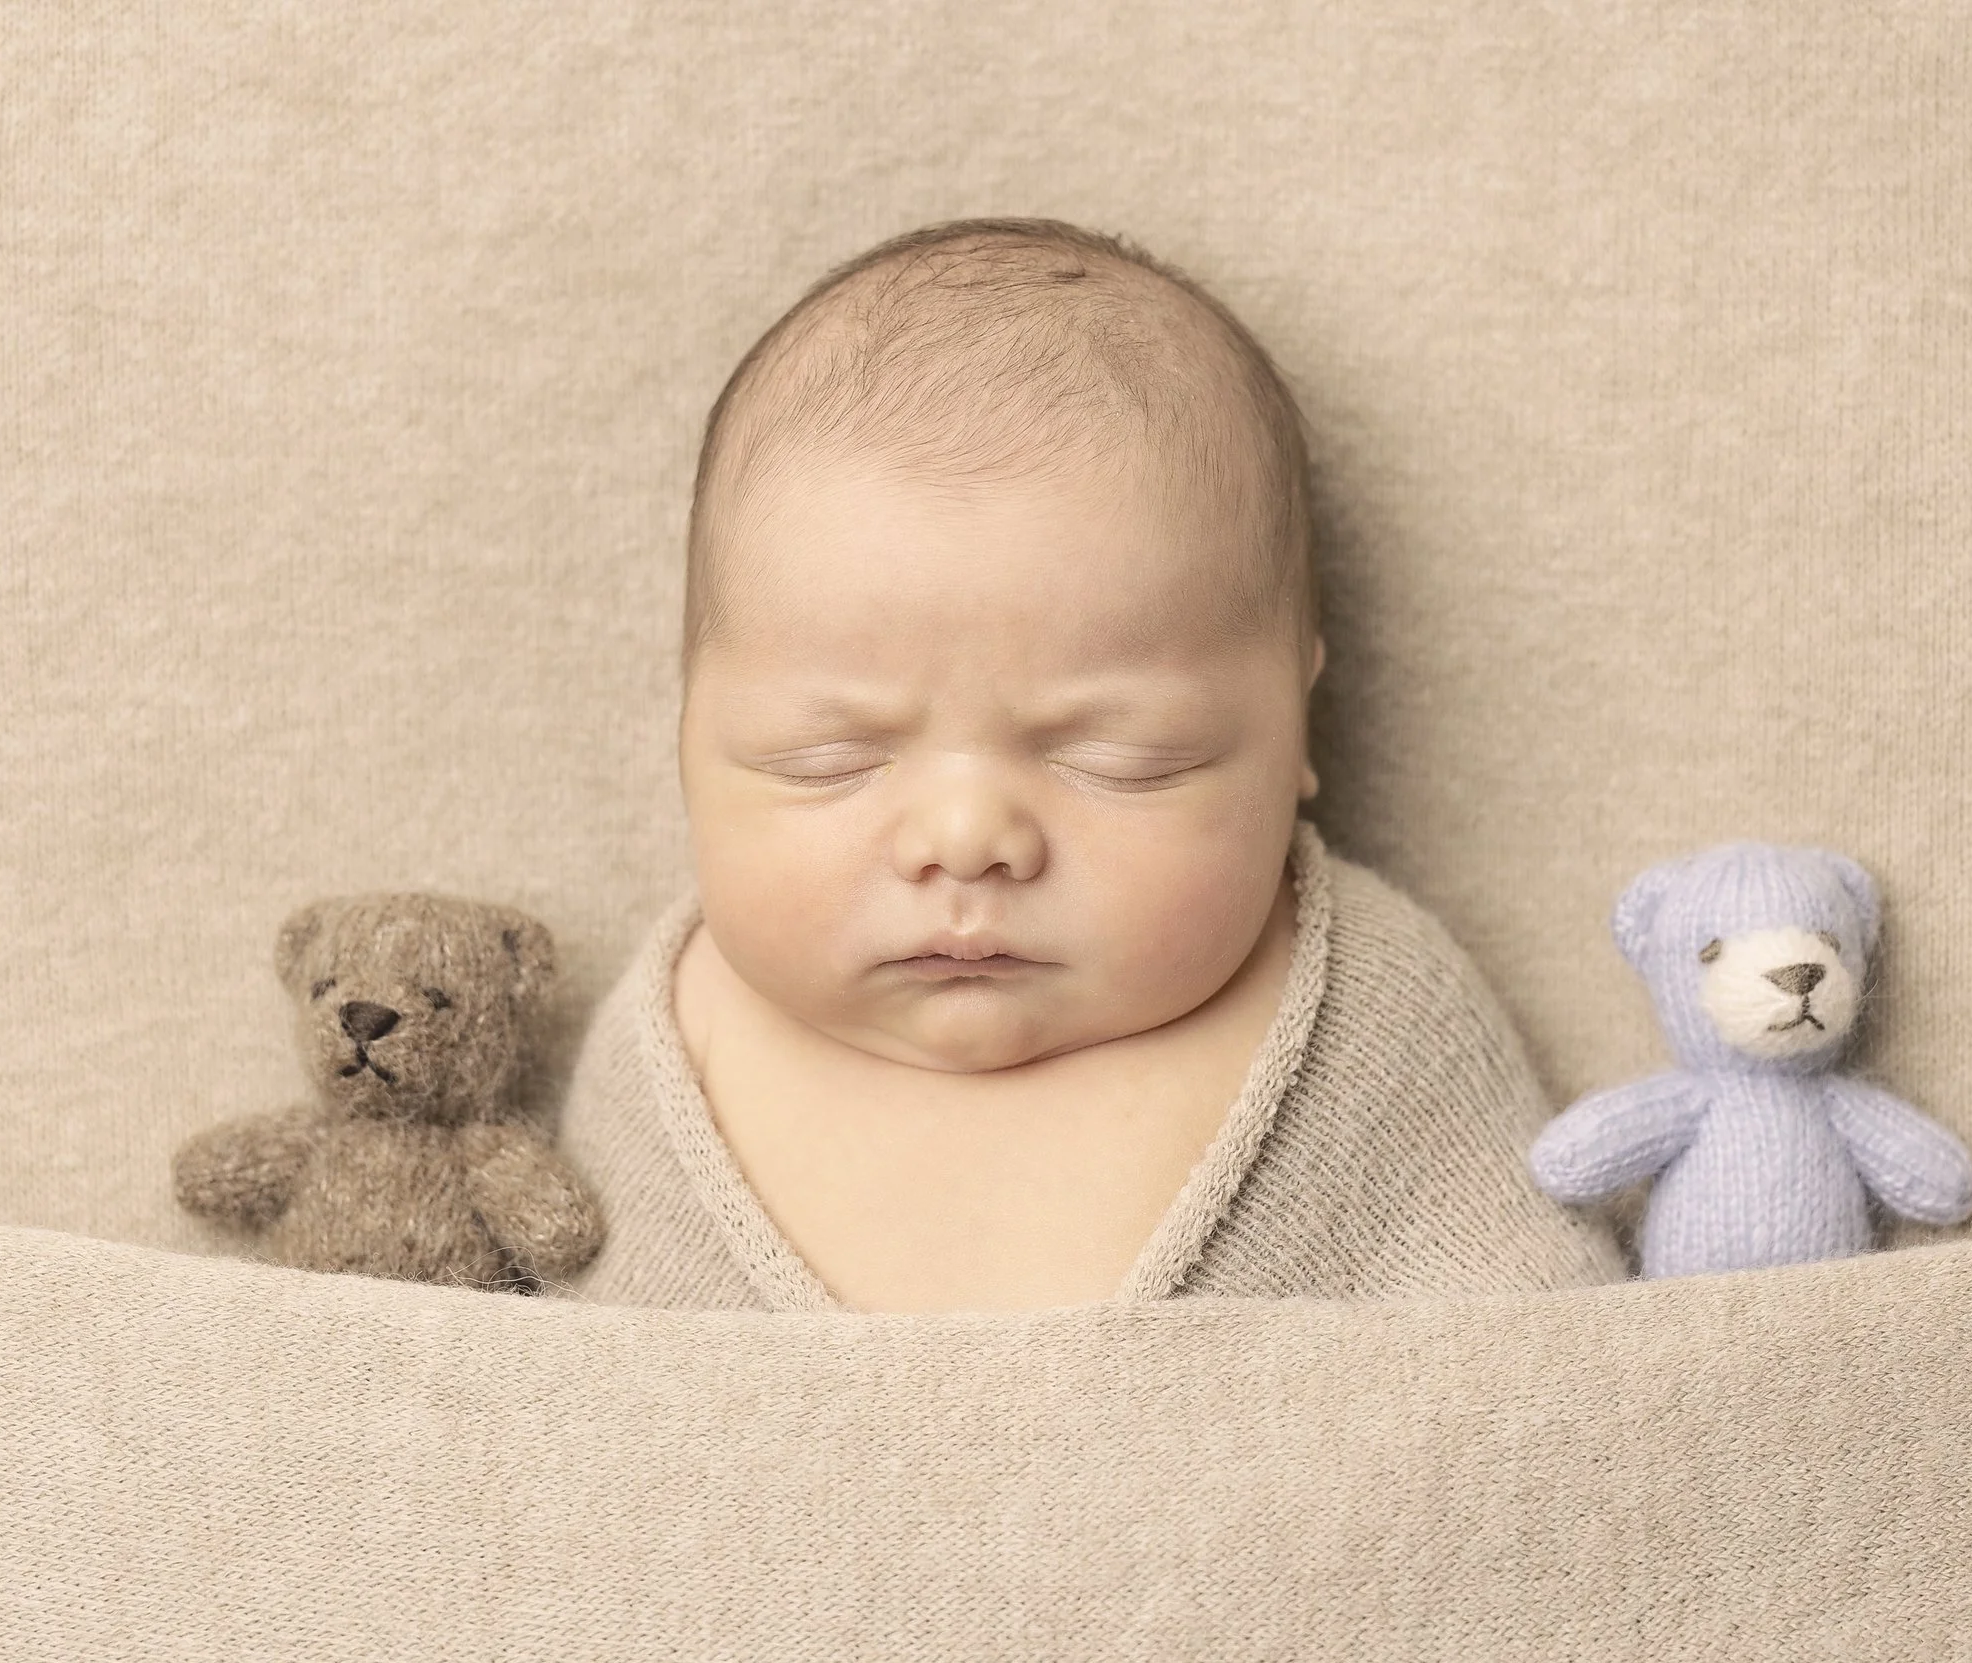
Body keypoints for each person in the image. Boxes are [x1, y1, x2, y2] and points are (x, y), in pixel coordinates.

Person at [558, 218, 1620, 1310]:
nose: (966, 838)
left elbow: (1549, 1376)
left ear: (1296, 728)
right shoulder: (669, 1045)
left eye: (1124, 759)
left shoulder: (1378, 1019)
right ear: (690, 733)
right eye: (826, 758)